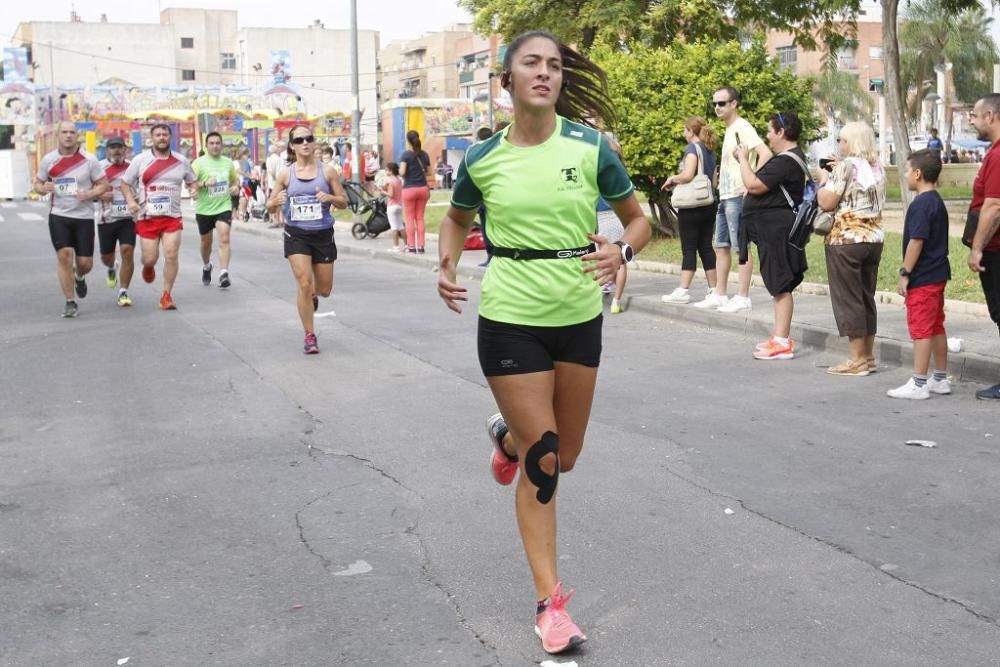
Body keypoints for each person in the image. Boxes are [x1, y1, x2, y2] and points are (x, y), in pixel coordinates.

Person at [436, 30, 650, 655]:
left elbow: (639, 217)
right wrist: (446, 264)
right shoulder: (482, 158)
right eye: (531, 63)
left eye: (554, 66)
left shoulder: (589, 147)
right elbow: (455, 218)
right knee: (546, 459)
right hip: (510, 316)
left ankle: (506, 436)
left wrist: (623, 251)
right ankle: (549, 604)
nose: (545, 73)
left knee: (568, 453)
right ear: (506, 81)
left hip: (579, 314)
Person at [266, 124, 348, 354]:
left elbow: (343, 202)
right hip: (296, 234)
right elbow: (270, 205)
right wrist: (276, 201)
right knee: (303, 282)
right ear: (292, 146)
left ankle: (313, 292)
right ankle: (310, 335)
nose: (305, 143)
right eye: (299, 140)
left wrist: (329, 197)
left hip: (322, 234)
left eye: (308, 139)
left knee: (324, 290)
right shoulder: (285, 174)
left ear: (314, 143)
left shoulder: (328, 171)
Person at [735, 111, 809, 360]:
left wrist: (743, 159)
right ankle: (779, 337)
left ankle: (782, 342)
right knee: (778, 285)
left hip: (777, 232)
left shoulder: (786, 161)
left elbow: (754, 184)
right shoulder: (787, 159)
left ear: (781, 132)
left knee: (781, 284)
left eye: (769, 131)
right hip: (772, 231)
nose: (767, 136)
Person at [816, 121, 887, 376]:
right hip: (874, 238)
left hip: (846, 239)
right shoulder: (877, 166)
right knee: (866, 296)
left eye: (843, 140)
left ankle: (855, 359)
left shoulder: (845, 167)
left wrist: (824, 180)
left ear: (852, 142)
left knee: (849, 299)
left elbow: (826, 201)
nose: (840, 145)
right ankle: (867, 356)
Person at [888, 149, 952, 399]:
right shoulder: (936, 201)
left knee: (921, 328)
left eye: (906, 170)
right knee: (936, 326)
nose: (904, 175)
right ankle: (940, 378)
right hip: (938, 273)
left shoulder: (921, 205)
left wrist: (905, 273)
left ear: (917, 173)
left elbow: (916, 242)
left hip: (923, 277)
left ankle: (918, 382)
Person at [702, 86, 773, 313]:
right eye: (714, 103)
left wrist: (751, 179)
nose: (717, 107)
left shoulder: (742, 127)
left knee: (740, 247)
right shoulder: (730, 129)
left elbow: (766, 154)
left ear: (734, 104)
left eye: (722, 103)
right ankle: (720, 294)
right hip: (725, 195)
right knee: (720, 245)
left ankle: (743, 296)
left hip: (737, 197)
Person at [33, 121, 109, 318]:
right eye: (64, 132)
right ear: (58, 135)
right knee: (64, 256)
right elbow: (38, 184)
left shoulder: (89, 160)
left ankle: (79, 275)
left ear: (78, 136)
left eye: (72, 132)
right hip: (59, 215)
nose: (68, 135)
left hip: (83, 217)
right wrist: (44, 188)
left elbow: (103, 184)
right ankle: (70, 301)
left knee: (85, 263)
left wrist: (90, 193)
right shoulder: (49, 159)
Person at [119, 124, 198, 311]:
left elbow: (192, 180)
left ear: (170, 137)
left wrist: (194, 189)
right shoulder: (140, 160)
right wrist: (131, 201)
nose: (162, 138)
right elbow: (124, 183)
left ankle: (166, 295)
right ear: (151, 138)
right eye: (158, 135)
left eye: (165, 135)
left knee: (171, 255)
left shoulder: (181, 160)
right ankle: (148, 266)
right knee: (149, 258)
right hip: (148, 217)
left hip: (172, 216)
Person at [661, 116, 719, 304]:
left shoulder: (692, 149)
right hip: (708, 204)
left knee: (689, 248)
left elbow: (687, 175)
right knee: (706, 247)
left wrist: (672, 178)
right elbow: (714, 181)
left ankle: (683, 290)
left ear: (691, 131)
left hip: (691, 206)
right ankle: (714, 289)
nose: (683, 133)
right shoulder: (709, 150)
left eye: (685, 130)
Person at [966, 93, 1000, 400]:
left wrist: (977, 248)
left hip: (996, 248)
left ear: (990, 116)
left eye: (974, 116)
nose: (972, 121)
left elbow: (993, 206)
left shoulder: (999, 154)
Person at [192, 131, 240, 288]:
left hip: (223, 206)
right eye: (211, 143)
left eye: (217, 143)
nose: (215, 146)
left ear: (222, 145)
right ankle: (207, 265)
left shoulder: (227, 163)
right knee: (206, 243)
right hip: (204, 209)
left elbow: (235, 179)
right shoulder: (198, 163)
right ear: (206, 146)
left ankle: (224, 273)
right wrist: (205, 183)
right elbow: (191, 184)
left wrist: (235, 187)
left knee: (224, 237)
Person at [97, 136, 137, 307]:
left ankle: (123, 292)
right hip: (106, 218)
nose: (116, 151)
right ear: (107, 151)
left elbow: (143, 186)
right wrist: (99, 194)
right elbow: (88, 189)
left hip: (128, 218)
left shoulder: (132, 167)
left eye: (119, 147)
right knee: (106, 257)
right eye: (112, 147)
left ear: (125, 150)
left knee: (127, 250)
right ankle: (112, 267)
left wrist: (137, 196)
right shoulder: (99, 168)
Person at [596, 133, 630, 314]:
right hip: (618, 216)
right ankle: (617, 300)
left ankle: (608, 284)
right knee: (620, 259)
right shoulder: (620, 170)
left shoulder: (599, 168)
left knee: (605, 255)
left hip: (603, 216)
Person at [399, 130, 432, 253]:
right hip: (423, 189)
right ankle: (421, 246)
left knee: (409, 219)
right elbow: (429, 172)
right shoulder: (424, 155)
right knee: (420, 218)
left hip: (409, 189)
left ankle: (411, 246)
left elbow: (402, 172)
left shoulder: (406, 155)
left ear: (408, 141)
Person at [382, 162, 405, 251]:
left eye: (387, 170)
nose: (386, 171)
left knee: (394, 227)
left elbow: (391, 195)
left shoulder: (391, 181)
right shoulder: (399, 180)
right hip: (399, 205)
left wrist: (383, 192)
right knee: (401, 226)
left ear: (391, 171)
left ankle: (396, 246)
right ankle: (407, 245)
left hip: (392, 206)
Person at [266, 143, 286, 228]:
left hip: (273, 183)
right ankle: (282, 220)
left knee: (273, 202)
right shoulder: (280, 159)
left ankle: (276, 221)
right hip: (281, 183)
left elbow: (270, 171)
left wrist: (274, 177)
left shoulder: (269, 159)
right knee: (280, 202)